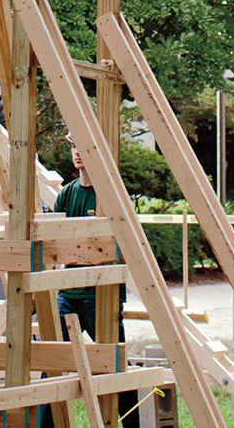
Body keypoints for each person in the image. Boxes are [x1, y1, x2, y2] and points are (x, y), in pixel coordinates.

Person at [42, 147, 137, 428]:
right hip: (68, 293)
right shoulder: (67, 193)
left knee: (114, 366)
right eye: (72, 146)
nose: (77, 152)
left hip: (101, 295)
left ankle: (135, 423)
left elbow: (123, 247)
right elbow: (54, 242)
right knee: (52, 362)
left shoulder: (111, 194)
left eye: (83, 146)